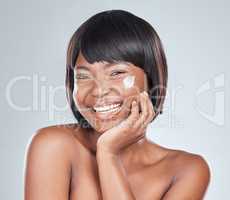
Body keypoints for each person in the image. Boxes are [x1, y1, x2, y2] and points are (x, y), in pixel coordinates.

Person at [24, 9, 211, 200]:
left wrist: (108, 154)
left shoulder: (187, 170)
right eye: (83, 76)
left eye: (116, 73)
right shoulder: (53, 145)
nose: (98, 90)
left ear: (151, 78)